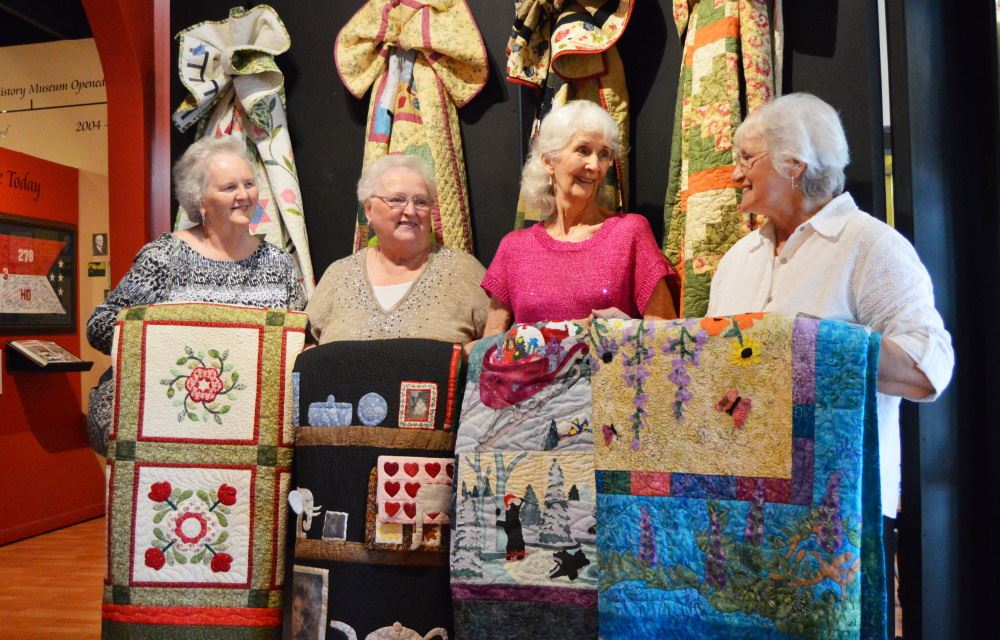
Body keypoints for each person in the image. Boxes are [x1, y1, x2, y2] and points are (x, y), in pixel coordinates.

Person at [706, 92, 954, 631]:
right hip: (742, 509)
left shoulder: (870, 247)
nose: (734, 174)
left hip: (838, 516)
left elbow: (929, 367)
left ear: (794, 164)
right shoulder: (737, 260)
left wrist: (813, 346)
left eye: (746, 158)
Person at [85, 136, 306, 454]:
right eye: (229, 187)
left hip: (248, 414)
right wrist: (172, 340)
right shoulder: (166, 256)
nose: (244, 195)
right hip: (166, 407)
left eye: (248, 184)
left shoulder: (278, 262)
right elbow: (100, 325)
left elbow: (297, 337)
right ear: (200, 200)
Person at [482, 100, 678, 336]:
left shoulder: (629, 232)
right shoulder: (514, 248)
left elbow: (667, 336)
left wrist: (623, 329)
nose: (594, 166)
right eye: (583, 150)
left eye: (604, 154)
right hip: (529, 362)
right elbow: (489, 346)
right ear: (549, 161)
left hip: (607, 361)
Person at [305, 154, 489, 346]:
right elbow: (302, 347)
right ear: (368, 209)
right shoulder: (339, 275)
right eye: (397, 200)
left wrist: (466, 355)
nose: (410, 211)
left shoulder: (462, 271)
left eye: (421, 202)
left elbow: (499, 343)